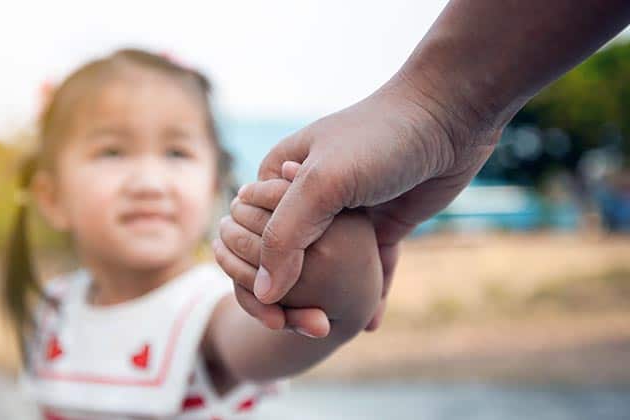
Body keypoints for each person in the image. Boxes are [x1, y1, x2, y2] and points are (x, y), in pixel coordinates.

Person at [3, 49, 383, 419]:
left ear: (213, 188)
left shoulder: (211, 312)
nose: (150, 183)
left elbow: (269, 339)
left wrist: (345, 282)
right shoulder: (56, 306)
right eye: (112, 152)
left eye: (176, 153)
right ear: (51, 198)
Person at [215, 0, 630, 336]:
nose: (149, 181)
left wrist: (344, 266)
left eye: (176, 152)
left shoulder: (197, 310)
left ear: (217, 173)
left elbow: (265, 347)